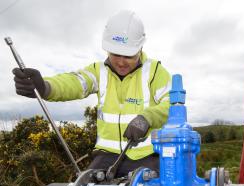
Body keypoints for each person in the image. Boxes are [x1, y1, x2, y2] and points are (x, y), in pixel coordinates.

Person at [12, 10, 171, 177]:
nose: (121, 62)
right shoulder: (98, 71)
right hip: (106, 157)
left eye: (128, 55)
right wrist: (44, 86)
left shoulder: (155, 72)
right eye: (115, 54)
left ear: (140, 48)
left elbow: (172, 105)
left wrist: (147, 118)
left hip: (147, 158)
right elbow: (74, 82)